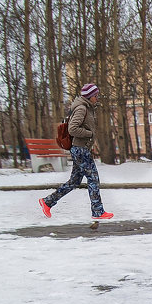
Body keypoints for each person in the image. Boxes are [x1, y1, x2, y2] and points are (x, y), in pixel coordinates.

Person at [38, 83, 113, 220]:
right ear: (90, 96)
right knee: (93, 179)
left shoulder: (87, 108)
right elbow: (72, 129)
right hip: (80, 149)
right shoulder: (82, 108)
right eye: (95, 95)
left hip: (80, 149)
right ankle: (98, 211)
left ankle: (47, 202)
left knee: (74, 181)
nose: (97, 98)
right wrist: (89, 134)